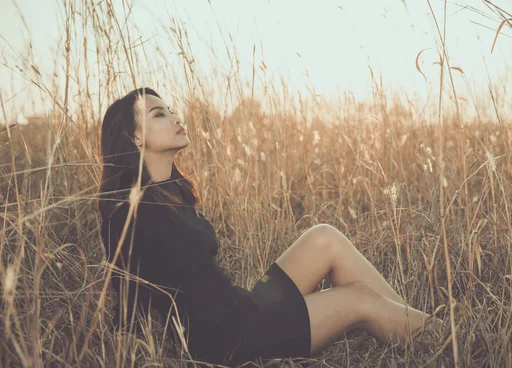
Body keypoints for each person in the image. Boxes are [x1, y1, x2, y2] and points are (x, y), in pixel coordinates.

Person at [97, 87, 443, 366]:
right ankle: (448, 346)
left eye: (171, 109)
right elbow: (129, 296)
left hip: (242, 307)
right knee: (359, 299)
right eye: (159, 114)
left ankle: (418, 328)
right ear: (136, 137)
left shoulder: (173, 192)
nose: (175, 117)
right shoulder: (130, 213)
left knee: (324, 237)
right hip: (229, 341)